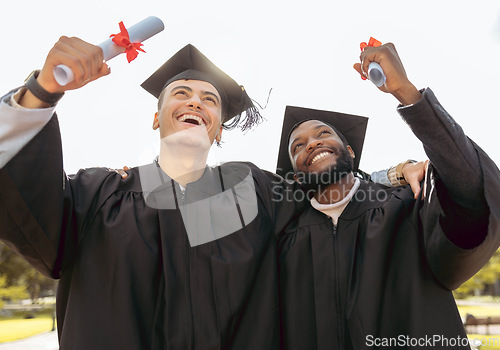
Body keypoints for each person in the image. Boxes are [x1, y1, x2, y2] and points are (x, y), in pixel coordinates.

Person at [0, 36, 423, 349]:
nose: (196, 102)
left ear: (219, 128)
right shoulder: (98, 195)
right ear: (156, 117)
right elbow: (23, 199)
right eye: (180, 93)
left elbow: (331, 188)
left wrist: (397, 172)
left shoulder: (252, 192)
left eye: (210, 99)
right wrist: (40, 92)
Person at [275, 42, 500, 349]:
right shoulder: (285, 236)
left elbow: (473, 192)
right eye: (298, 146)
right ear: (297, 175)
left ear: (350, 152)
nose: (312, 143)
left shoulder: (408, 207)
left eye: (323, 133)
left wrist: (406, 93)